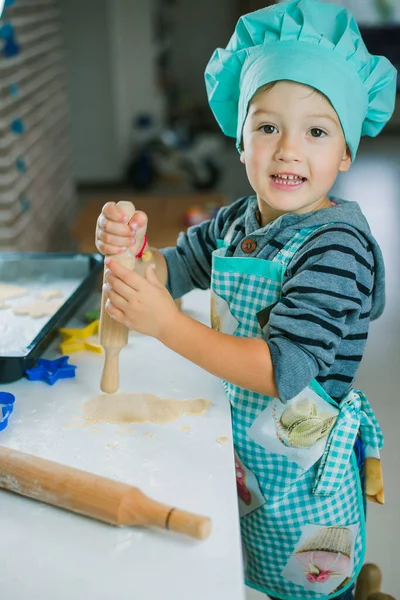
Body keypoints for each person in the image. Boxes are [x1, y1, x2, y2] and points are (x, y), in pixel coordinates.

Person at [95, 1, 397, 597]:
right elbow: (176, 270)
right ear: (240, 141)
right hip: (243, 451)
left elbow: (284, 370)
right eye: (267, 127)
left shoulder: (338, 246)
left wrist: (165, 325)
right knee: (239, 567)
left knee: (308, 587)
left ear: (346, 152)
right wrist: (137, 255)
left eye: (316, 131)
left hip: (304, 474)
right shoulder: (236, 221)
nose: (288, 149)